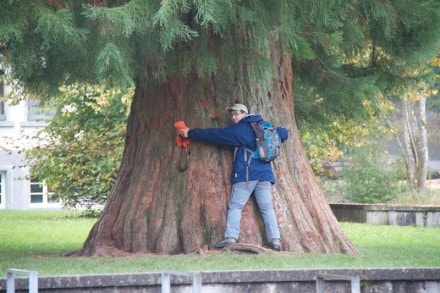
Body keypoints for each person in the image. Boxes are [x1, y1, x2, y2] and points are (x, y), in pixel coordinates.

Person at [178, 103, 288, 251]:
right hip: (265, 175)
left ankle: (230, 238)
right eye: (232, 114)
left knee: (236, 206)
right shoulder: (264, 126)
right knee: (267, 208)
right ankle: (275, 240)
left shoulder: (239, 130)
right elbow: (283, 133)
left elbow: (215, 135)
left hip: (247, 175)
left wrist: (190, 133)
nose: (234, 117)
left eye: (237, 114)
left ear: (245, 114)